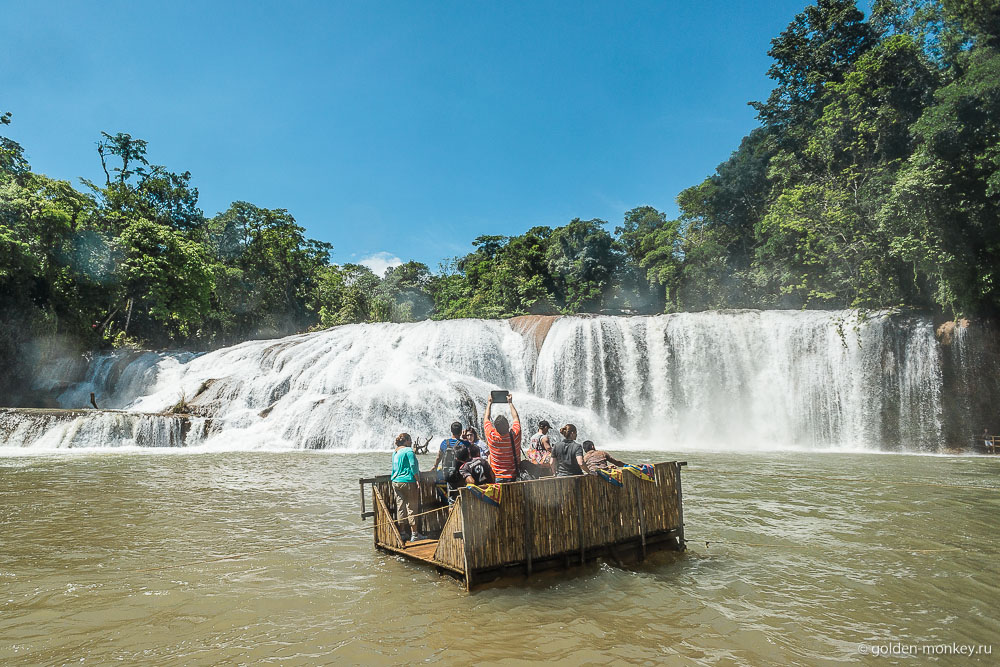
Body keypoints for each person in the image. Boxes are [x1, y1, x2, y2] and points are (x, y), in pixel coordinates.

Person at [391, 433, 426, 542]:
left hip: (396, 481)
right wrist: (417, 479)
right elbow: (413, 466)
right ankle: (414, 534)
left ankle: (402, 533)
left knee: (400, 507)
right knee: (411, 507)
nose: (411, 442)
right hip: (408, 481)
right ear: (406, 441)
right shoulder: (409, 451)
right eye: (410, 440)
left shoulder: (395, 452)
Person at [484, 392, 522, 483]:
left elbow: (486, 418)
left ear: (495, 428)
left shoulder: (491, 435)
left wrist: (489, 403)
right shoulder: (515, 435)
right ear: (508, 425)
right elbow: (516, 418)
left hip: (497, 476)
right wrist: (510, 403)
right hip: (513, 476)